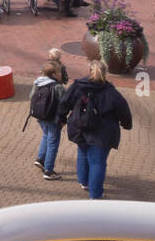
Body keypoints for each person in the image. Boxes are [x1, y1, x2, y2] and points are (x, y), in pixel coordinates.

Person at [57, 60, 133, 199]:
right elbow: (123, 109)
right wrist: (126, 124)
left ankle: (84, 181)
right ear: (105, 73)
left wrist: (61, 119)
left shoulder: (77, 86)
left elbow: (64, 103)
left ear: (89, 71)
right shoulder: (111, 92)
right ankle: (95, 194)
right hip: (102, 133)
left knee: (83, 152)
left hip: (80, 128)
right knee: (97, 162)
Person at [28, 59, 67, 180]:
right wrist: (63, 119)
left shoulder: (38, 82)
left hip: (41, 116)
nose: (61, 74)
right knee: (53, 143)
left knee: (46, 136)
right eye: (60, 72)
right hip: (53, 119)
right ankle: (49, 170)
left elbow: (31, 97)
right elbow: (65, 104)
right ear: (54, 74)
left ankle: (41, 159)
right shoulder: (58, 87)